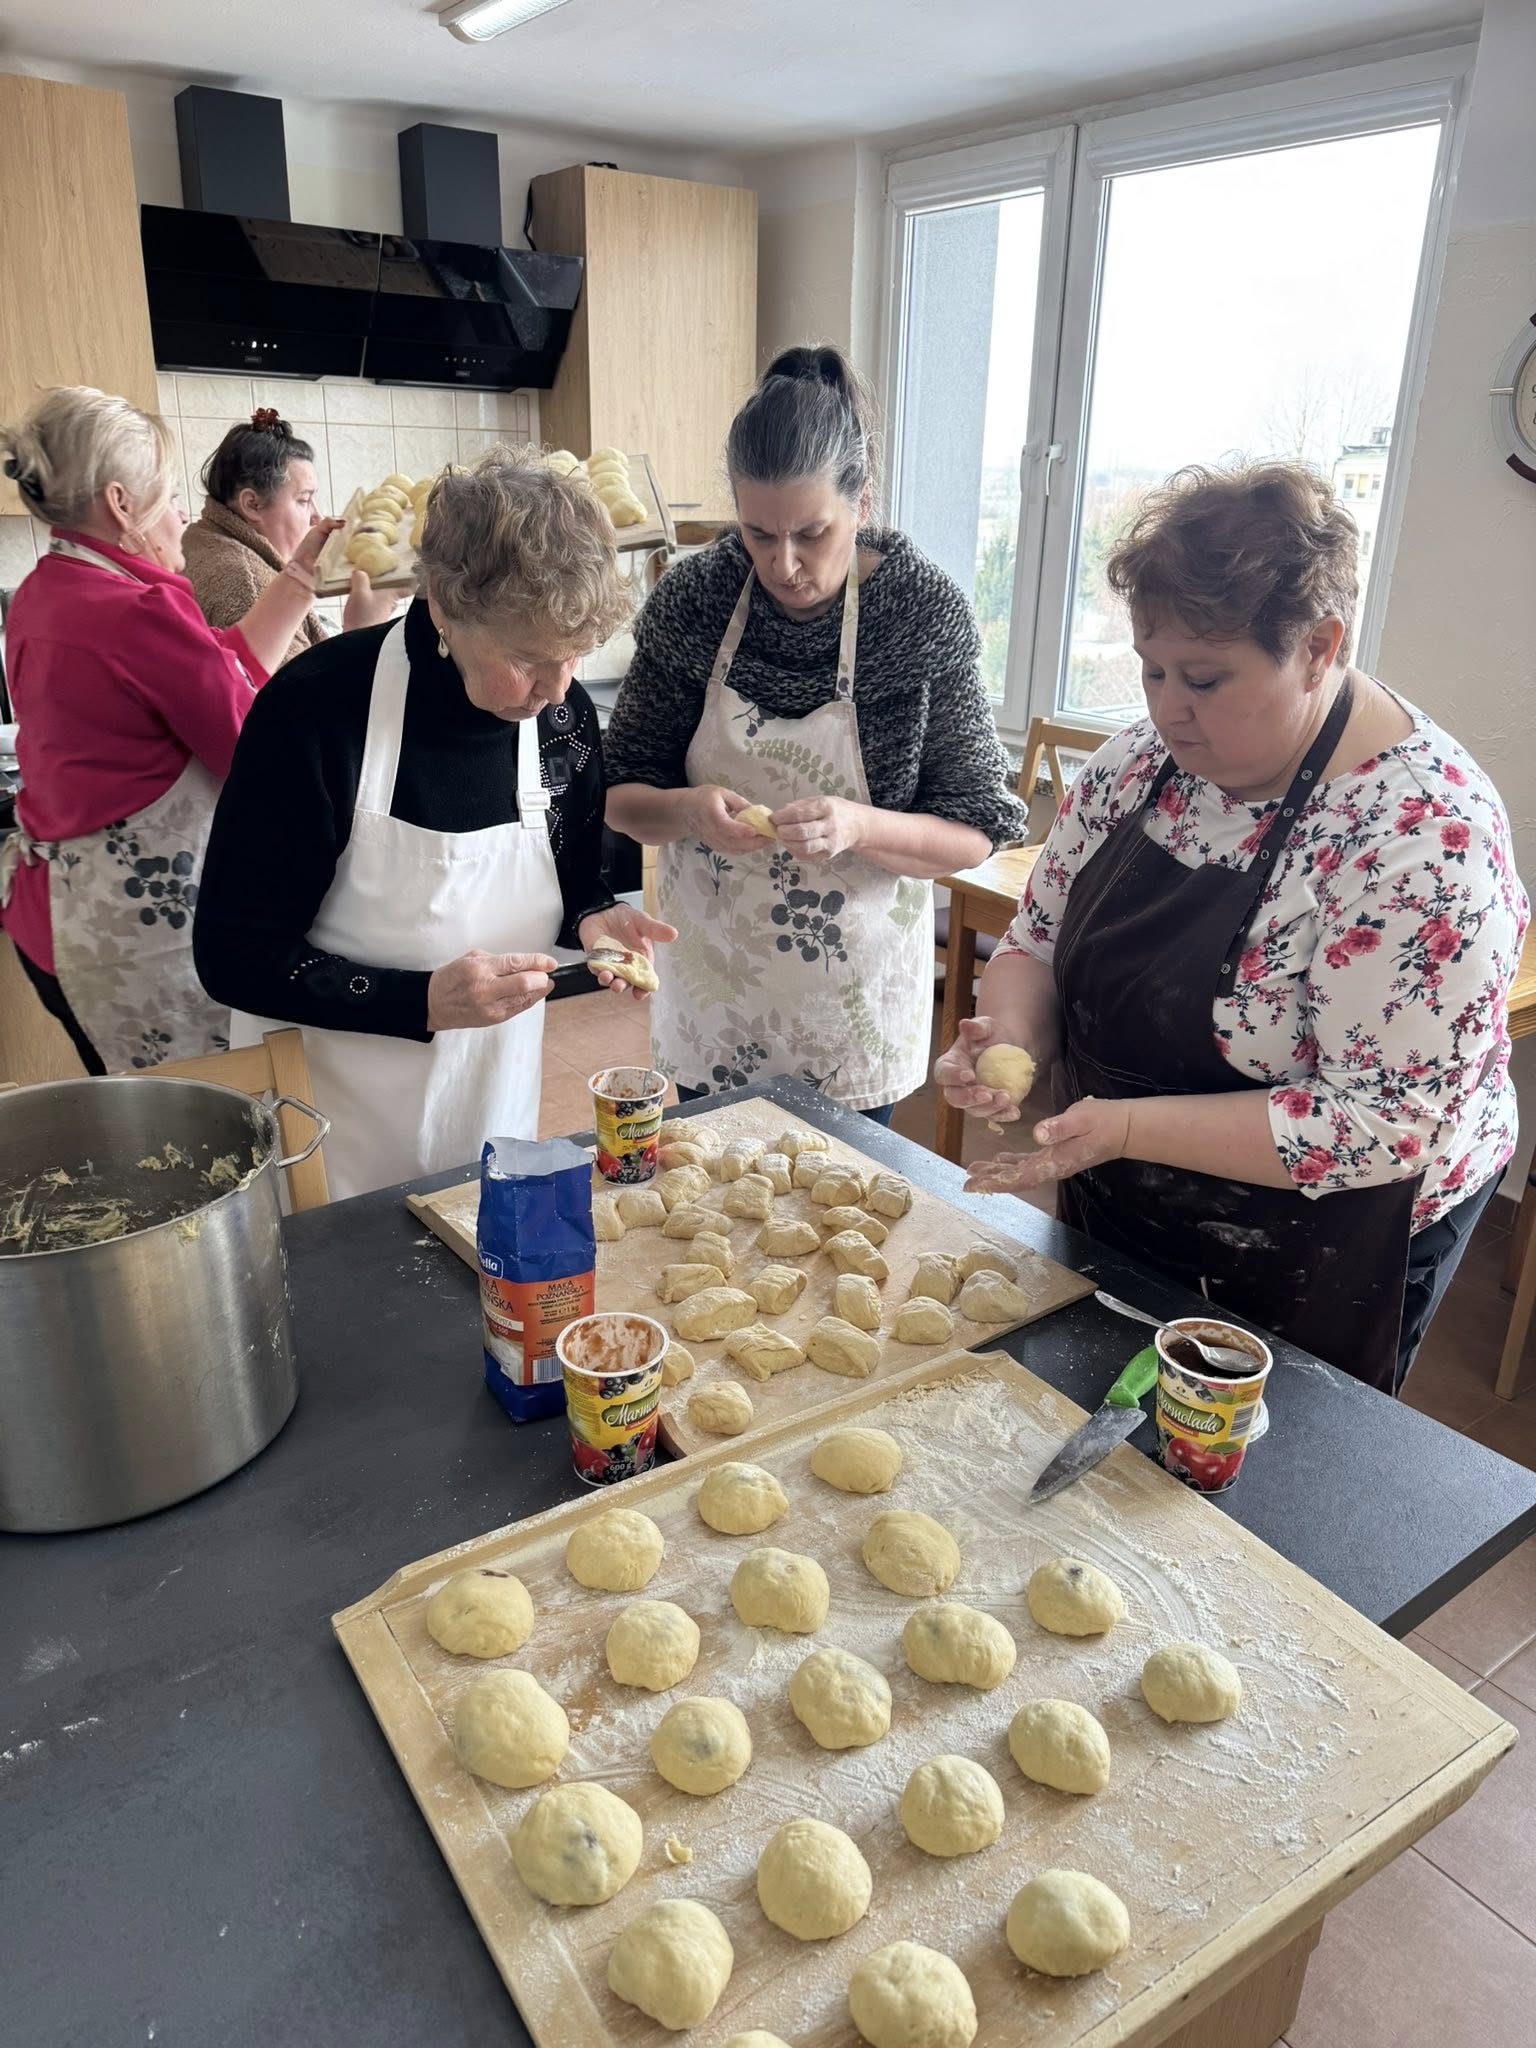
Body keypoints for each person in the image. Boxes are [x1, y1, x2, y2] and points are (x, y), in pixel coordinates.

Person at [936, 462, 1528, 1393]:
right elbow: (1038, 940)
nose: (1166, 707)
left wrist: (1127, 1128)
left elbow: (1380, 1123)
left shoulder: (1421, 841)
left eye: (1205, 679)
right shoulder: (1142, 765)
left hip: (1321, 1238)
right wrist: (1009, 1035)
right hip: (1124, 1172)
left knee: (1251, 1458)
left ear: (1319, 647)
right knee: (1101, 1409)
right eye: (1152, 669)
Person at [194, 450, 674, 1200]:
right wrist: (418, 1001)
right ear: (445, 606)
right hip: (326, 1136)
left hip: (488, 1112)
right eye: (528, 659)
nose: (556, 690)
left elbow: (572, 879)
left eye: (574, 657)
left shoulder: (564, 727)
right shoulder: (315, 712)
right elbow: (232, 956)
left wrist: (594, 917)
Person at [604, 345, 1026, 1122]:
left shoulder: (920, 614)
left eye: (812, 532)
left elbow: (973, 833)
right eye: (758, 534)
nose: (784, 564)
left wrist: (859, 826)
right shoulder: (694, 601)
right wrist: (688, 811)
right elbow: (621, 796)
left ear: (861, 503)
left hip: (852, 1017)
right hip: (714, 1004)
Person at [0, 385, 338, 1073]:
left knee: (141, 1111)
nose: (182, 515)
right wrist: (356, 649)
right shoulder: (138, 611)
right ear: (121, 504)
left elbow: (217, 666)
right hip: (134, 935)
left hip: (61, 914)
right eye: (169, 497)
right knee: (208, 1110)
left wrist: (300, 574)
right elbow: (252, 752)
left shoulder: (44, 591)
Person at [181, 409, 397, 661]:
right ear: (252, 504)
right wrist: (361, 631)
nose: (317, 517)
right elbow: (294, 686)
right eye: (304, 500)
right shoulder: (247, 584)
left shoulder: (201, 538)